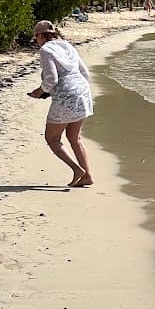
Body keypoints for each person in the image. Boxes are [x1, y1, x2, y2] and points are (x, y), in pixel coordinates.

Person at [28, 20, 94, 187]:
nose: (36, 41)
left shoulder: (45, 50)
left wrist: (39, 91)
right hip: (83, 92)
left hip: (67, 96)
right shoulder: (67, 45)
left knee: (52, 138)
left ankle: (78, 170)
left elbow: (52, 78)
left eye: (36, 37)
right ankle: (88, 176)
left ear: (42, 35)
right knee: (74, 137)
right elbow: (85, 73)